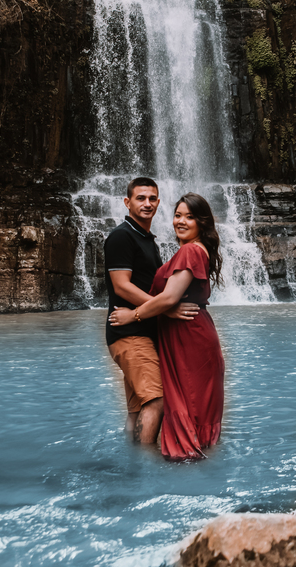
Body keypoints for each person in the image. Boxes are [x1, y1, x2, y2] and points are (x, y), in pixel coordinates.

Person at [109, 192, 225, 460]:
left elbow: (170, 298)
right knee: (191, 405)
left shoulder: (190, 251)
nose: (180, 221)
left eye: (190, 217)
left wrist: (133, 315)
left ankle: (153, 470)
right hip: (187, 334)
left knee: (189, 402)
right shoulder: (195, 249)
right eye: (177, 215)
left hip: (189, 337)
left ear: (202, 222)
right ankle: (194, 469)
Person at [104, 177, 200, 445]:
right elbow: (121, 286)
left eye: (152, 198)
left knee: (137, 409)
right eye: (140, 198)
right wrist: (165, 308)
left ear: (158, 202)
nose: (147, 203)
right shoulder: (122, 236)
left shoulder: (146, 239)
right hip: (130, 334)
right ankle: (145, 464)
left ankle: (130, 460)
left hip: (140, 332)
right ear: (127, 202)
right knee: (157, 401)